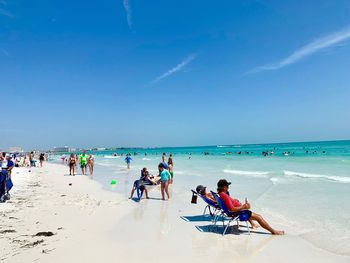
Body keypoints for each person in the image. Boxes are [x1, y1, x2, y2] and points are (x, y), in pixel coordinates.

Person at [217, 179, 284, 235]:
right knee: (259, 217)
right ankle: (274, 231)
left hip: (237, 211)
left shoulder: (221, 194)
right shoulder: (225, 196)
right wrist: (243, 207)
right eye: (227, 186)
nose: (228, 188)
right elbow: (232, 209)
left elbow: (230, 206)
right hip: (237, 213)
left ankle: (253, 224)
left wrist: (240, 205)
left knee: (248, 210)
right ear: (224, 187)